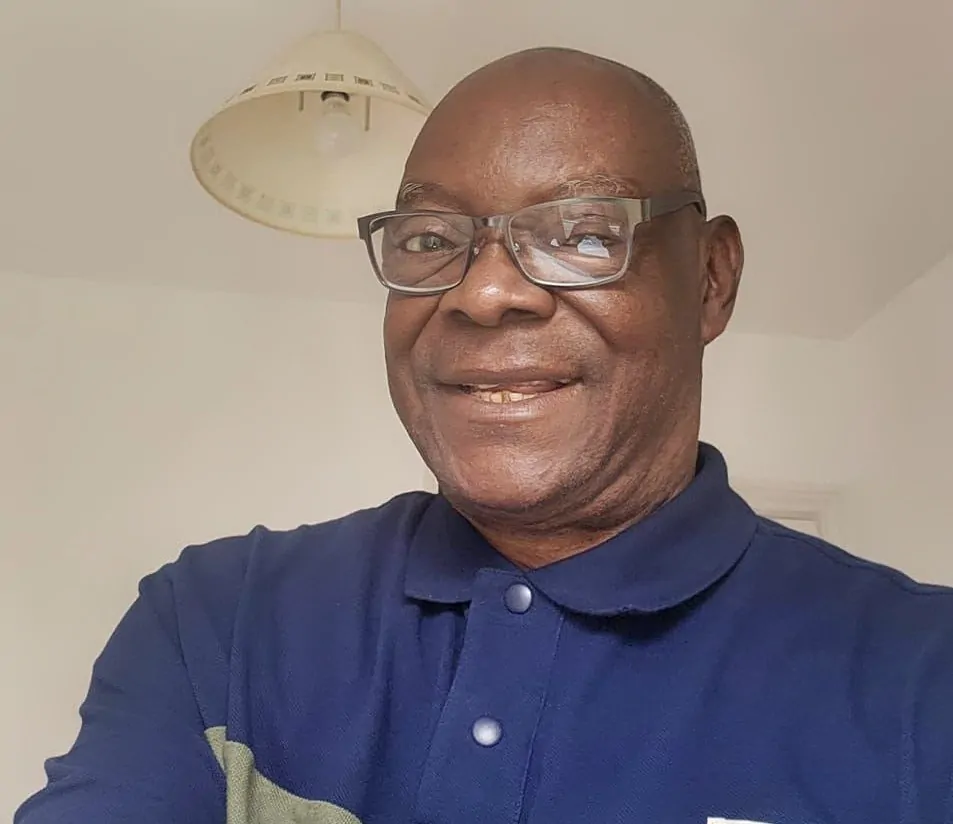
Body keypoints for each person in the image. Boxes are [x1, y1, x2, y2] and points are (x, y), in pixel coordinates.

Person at [16, 47, 953, 824]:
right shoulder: (214, 623)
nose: (484, 290)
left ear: (709, 280)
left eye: (584, 234)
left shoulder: (922, 678)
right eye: (430, 239)